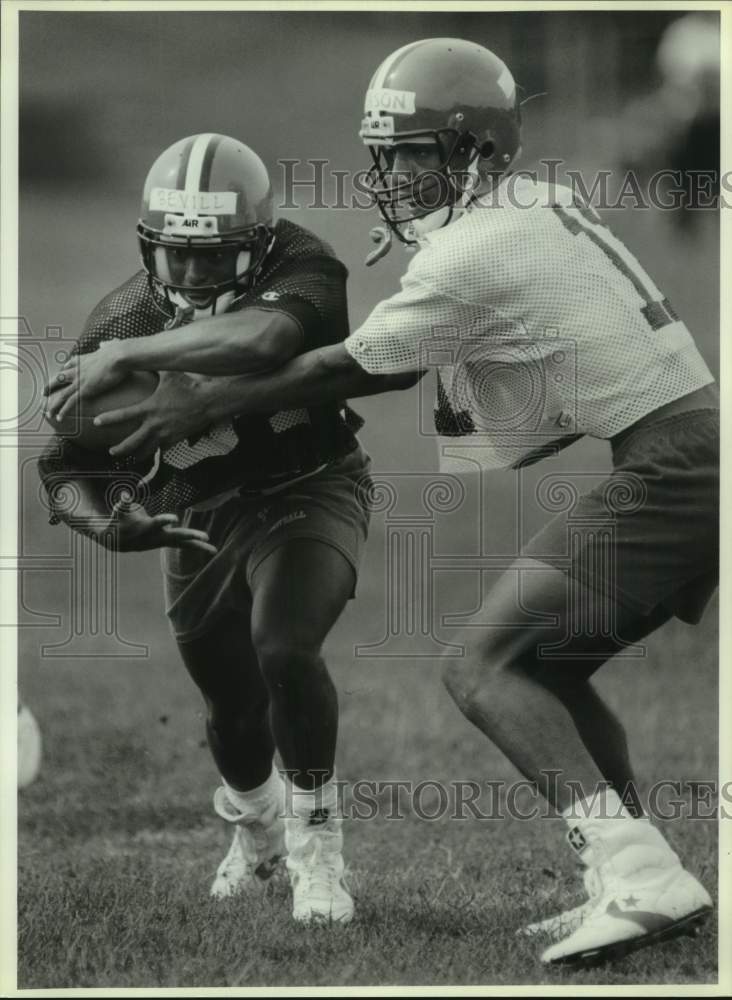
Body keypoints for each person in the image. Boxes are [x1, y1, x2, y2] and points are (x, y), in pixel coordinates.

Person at [54, 41, 719, 967]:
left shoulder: (472, 253)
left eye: (415, 152)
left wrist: (182, 392)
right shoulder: (536, 198)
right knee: (552, 665)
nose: (395, 176)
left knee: (483, 665)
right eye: (387, 154)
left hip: (677, 468)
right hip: (689, 454)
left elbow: (345, 367)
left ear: (475, 151)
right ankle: (628, 875)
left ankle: (642, 874)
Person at [41, 132, 379, 925]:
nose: (191, 273)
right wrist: (107, 526)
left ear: (258, 246)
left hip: (312, 485)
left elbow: (266, 338)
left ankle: (317, 850)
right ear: (148, 244)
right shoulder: (121, 316)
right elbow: (64, 468)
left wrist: (133, 352)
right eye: (176, 254)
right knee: (231, 707)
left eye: (214, 254)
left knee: (285, 645)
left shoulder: (302, 263)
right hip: (200, 512)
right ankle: (256, 829)